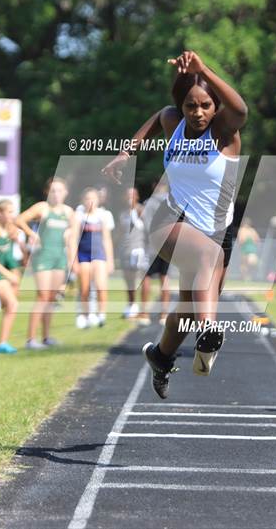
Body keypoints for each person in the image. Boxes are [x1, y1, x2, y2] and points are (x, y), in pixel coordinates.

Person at [103, 50, 248, 398]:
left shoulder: (225, 133)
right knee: (206, 259)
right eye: (190, 106)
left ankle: (161, 356)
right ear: (181, 107)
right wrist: (127, 151)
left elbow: (241, 109)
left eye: (205, 106)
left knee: (186, 307)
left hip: (216, 230)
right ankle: (209, 331)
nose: (197, 113)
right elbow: (157, 117)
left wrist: (204, 71)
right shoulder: (174, 122)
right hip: (169, 221)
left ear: (216, 108)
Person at [16, 177, 75, 349]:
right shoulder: (42, 207)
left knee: (51, 297)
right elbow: (19, 219)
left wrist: (70, 233)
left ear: (66, 192)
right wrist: (31, 233)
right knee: (42, 296)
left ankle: (46, 337)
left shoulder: (68, 212)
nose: (56, 194)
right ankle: (30, 340)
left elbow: (73, 234)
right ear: (47, 192)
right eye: (53, 190)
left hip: (59, 257)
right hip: (43, 257)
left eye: (60, 190)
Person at [73, 187, 114, 328]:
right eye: (87, 198)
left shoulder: (104, 215)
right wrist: (74, 261)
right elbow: (74, 239)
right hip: (83, 255)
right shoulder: (79, 216)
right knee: (84, 288)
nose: (90, 201)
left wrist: (110, 260)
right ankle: (84, 315)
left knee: (101, 286)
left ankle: (101, 314)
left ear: (98, 200)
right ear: (83, 200)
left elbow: (107, 239)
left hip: (99, 255)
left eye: (93, 198)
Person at [0, 200, 23, 353]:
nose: (11, 215)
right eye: (9, 212)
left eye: (13, 212)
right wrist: (9, 275)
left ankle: (2, 344)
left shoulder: (9, 231)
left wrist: (15, 273)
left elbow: (8, 257)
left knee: (12, 304)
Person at [141, 180, 170, 325]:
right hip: (168, 244)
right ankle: (164, 314)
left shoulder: (149, 202)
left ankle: (145, 313)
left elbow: (146, 226)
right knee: (164, 277)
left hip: (152, 244)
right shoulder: (172, 202)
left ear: (154, 186)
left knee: (147, 277)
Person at [118, 187, 149, 322]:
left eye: (132, 194)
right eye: (127, 195)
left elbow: (148, 228)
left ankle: (144, 310)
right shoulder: (123, 213)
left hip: (138, 249)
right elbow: (120, 233)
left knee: (141, 279)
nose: (129, 197)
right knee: (128, 280)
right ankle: (131, 306)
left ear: (136, 196)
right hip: (125, 250)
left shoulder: (140, 210)